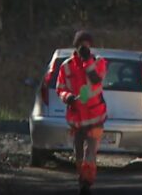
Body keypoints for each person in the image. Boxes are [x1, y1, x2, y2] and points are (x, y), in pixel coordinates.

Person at [56, 30, 108, 194]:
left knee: (89, 154)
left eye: (86, 44)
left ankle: (87, 182)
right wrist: (67, 97)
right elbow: (60, 88)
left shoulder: (98, 62)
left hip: (95, 117)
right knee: (78, 154)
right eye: (81, 44)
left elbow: (95, 80)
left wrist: (87, 61)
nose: (84, 47)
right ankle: (82, 179)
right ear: (76, 45)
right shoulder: (66, 66)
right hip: (76, 118)